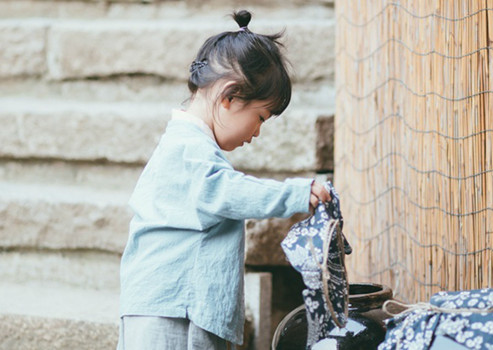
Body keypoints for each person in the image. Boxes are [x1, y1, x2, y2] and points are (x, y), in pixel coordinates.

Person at [117, 9, 332, 350]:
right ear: (229, 97)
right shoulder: (188, 150)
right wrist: (294, 193)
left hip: (175, 305)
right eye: (259, 117)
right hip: (175, 308)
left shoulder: (190, 147)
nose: (258, 131)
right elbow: (226, 190)